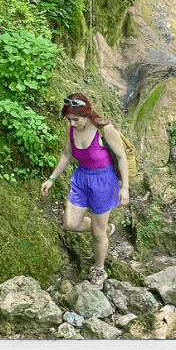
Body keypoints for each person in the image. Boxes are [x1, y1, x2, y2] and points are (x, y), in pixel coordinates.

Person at [40, 93, 130, 285]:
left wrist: (125, 188)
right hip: (81, 179)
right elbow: (67, 154)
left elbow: (122, 157)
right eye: (69, 120)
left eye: (75, 119)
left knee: (98, 235)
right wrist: (51, 179)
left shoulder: (104, 129)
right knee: (70, 224)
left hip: (103, 182)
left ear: (86, 114)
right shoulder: (72, 128)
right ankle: (105, 228)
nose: (71, 124)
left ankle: (99, 270)